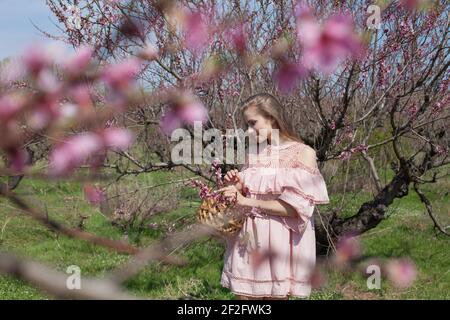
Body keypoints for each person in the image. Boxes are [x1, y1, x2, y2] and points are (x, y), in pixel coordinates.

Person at [218, 93, 330, 300]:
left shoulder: (303, 153)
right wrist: (238, 185)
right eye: (246, 125)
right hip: (248, 239)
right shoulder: (255, 153)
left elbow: (295, 208)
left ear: (272, 118)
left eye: (253, 123)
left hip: (280, 242)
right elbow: (250, 191)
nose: (249, 131)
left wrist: (246, 200)